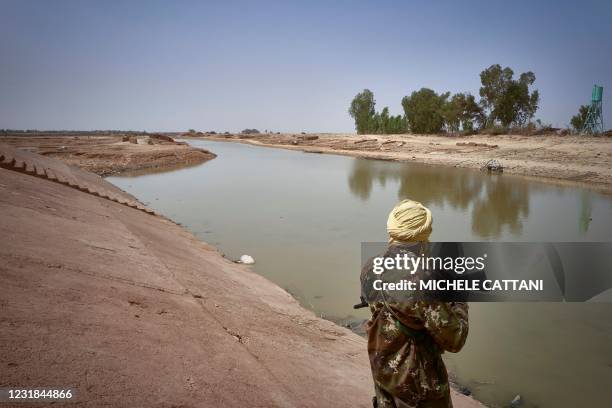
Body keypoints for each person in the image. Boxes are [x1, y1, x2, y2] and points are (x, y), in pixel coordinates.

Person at [361, 199, 469, 408]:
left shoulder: (370, 267)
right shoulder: (424, 279)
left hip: (384, 375)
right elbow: (455, 339)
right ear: (424, 236)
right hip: (419, 389)